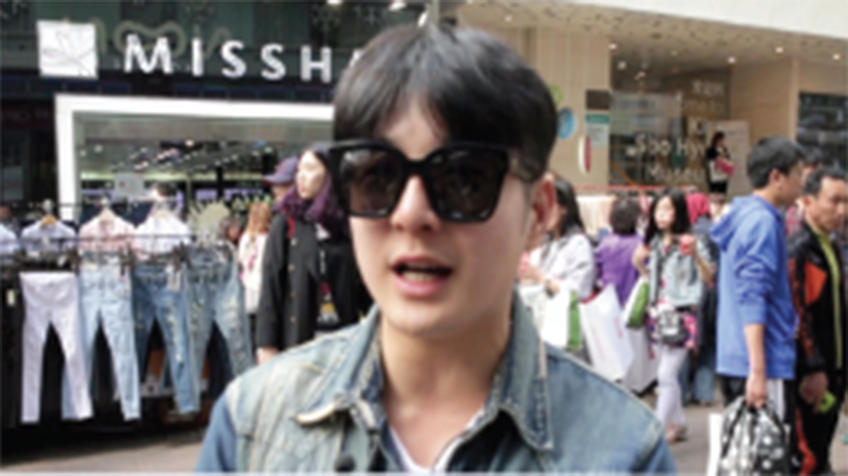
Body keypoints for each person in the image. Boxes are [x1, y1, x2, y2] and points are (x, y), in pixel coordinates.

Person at [197, 24, 675, 472]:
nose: (411, 213)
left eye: (464, 179)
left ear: (537, 212)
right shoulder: (252, 427)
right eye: (377, 177)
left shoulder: (623, 449)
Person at [711, 137, 804, 455]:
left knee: (745, 458)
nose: (801, 182)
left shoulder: (742, 215)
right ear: (777, 177)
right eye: (797, 173)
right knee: (764, 458)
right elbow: (753, 295)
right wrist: (759, 370)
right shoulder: (762, 222)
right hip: (761, 361)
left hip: (738, 358)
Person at [253, 144, 372, 365]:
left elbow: (365, 286)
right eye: (299, 170)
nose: (301, 177)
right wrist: (266, 345)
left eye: (309, 169)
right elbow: (271, 286)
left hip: (343, 345)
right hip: (298, 343)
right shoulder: (287, 223)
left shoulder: (348, 224)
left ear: (330, 174)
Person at [633, 188, 714, 444]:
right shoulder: (657, 243)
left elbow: (709, 277)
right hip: (660, 315)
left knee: (666, 375)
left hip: (682, 315)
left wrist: (696, 254)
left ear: (679, 212)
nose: (661, 215)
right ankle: (678, 422)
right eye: (658, 209)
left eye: (667, 209)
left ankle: (655, 432)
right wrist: (639, 264)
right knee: (666, 373)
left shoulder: (692, 242)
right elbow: (656, 281)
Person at [787, 167, 848, 475]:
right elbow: (799, 313)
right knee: (808, 456)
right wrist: (812, 367)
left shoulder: (831, 245)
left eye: (846, 202)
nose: (842, 210)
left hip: (833, 369)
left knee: (821, 451)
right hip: (812, 374)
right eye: (834, 201)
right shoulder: (800, 249)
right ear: (808, 201)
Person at [518, 176, 596, 301]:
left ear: (564, 208)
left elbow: (579, 291)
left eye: (551, 207)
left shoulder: (579, 244)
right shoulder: (546, 242)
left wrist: (540, 277)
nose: (545, 213)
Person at [679, 192, 719, 407]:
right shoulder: (716, 229)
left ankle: (682, 392)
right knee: (709, 344)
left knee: (686, 342)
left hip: (691, 292)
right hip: (714, 292)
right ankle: (704, 392)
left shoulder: (685, 232)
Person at [596, 196, 644, 304]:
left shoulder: (605, 243)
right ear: (636, 219)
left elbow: (598, 273)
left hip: (609, 304)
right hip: (636, 304)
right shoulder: (642, 244)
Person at [238, 202, 272, 320]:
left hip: (249, 284)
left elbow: (241, 259)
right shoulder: (268, 238)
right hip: (261, 285)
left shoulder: (247, 237)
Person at [786, 150, 825, 236]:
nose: (815, 182)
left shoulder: (829, 207)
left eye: (820, 176)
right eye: (810, 176)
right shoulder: (789, 208)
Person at [705, 131, 734, 200]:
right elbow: (711, 162)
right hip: (715, 177)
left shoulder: (725, 149)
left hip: (724, 176)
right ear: (716, 141)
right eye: (720, 140)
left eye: (723, 140)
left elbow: (728, 160)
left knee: (723, 194)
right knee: (714, 195)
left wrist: (727, 158)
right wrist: (721, 157)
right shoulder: (711, 150)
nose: (722, 142)